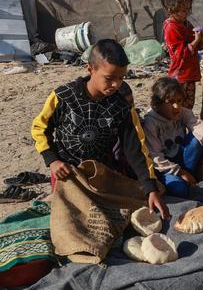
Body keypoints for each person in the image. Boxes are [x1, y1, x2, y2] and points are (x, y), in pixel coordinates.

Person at [31, 39, 169, 218]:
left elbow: (136, 147)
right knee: (70, 217)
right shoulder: (63, 97)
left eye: (121, 78)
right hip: (66, 172)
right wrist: (53, 161)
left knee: (112, 214)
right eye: (109, 78)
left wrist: (150, 188)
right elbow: (39, 128)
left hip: (102, 173)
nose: (116, 85)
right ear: (90, 69)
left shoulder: (121, 106)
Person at [142, 77, 203, 198]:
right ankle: (184, 180)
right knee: (179, 190)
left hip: (182, 157)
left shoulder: (182, 112)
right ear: (158, 103)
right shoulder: (150, 122)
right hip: (165, 167)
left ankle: (190, 177)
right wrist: (180, 172)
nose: (176, 106)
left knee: (196, 139)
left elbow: (197, 125)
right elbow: (155, 157)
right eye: (171, 102)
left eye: (179, 101)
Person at [160, 0, 203, 109]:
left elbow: (195, 45)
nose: (187, 12)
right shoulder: (171, 27)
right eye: (183, 10)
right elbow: (180, 54)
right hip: (181, 75)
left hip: (189, 73)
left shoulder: (184, 23)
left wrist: (202, 39)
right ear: (172, 9)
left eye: (188, 9)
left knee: (188, 107)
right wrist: (196, 41)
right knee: (179, 107)